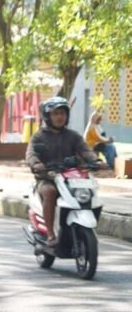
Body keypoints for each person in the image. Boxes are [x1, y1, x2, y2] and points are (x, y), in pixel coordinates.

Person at [26, 97, 99, 246]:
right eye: (55, 113)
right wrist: (36, 163)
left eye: (63, 113)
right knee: (49, 192)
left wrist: (96, 161)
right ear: (48, 116)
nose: (60, 117)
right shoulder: (39, 136)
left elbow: (85, 150)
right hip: (47, 178)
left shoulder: (73, 136)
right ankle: (51, 234)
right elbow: (31, 153)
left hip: (71, 178)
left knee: (89, 190)